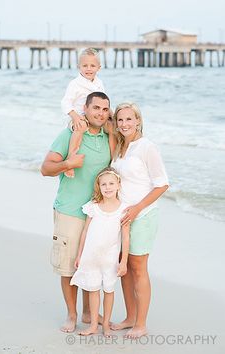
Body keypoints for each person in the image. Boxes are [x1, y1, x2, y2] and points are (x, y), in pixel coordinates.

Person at [41, 92, 111, 333]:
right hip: (70, 211)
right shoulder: (70, 134)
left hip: (98, 216)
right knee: (69, 266)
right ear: (85, 108)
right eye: (96, 108)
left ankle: (89, 312)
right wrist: (68, 164)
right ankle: (71, 315)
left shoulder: (108, 137)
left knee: (92, 265)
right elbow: (46, 168)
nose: (100, 113)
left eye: (105, 109)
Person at [110, 102, 169, 339]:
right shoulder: (120, 147)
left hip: (143, 215)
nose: (124, 124)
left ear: (138, 121)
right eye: (120, 120)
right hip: (122, 217)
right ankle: (129, 317)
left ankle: (141, 324)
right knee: (123, 269)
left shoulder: (147, 147)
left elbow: (162, 183)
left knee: (137, 267)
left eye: (129, 119)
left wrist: (137, 209)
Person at [70, 167, 130, 337]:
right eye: (104, 184)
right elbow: (85, 232)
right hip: (91, 257)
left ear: (118, 185)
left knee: (109, 290)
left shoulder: (124, 209)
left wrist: (123, 261)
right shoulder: (93, 207)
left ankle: (106, 325)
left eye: (111, 183)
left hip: (110, 259)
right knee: (93, 290)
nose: (107, 187)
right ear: (99, 187)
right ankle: (93, 325)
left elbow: (125, 238)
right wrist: (80, 255)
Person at [61, 48, 115, 177]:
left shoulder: (99, 83)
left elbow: (104, 101)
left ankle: (113, 161)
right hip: (80, 116)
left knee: (113, 128)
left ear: (99, 68)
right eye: (85, 66)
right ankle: (70, 159)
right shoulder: (75, 84)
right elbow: (65, 103)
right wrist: (75, 117)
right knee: (81, 127)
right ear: (79, 66)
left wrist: (111, 115)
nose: (89, 69)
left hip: (97, 116)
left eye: (92, 66)